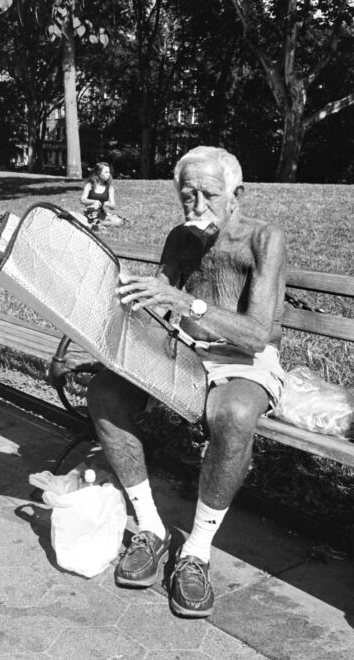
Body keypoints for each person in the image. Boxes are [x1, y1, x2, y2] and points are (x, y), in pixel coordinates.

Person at [86, 146, 287, 618]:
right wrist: (127, 304)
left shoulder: (264, 239)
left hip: (241, 357)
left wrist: (184, 301)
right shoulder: (181, 237)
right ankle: (151, 529)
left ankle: (196, 551)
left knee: (233, 414)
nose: (196, 205)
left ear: (236, 194)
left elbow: (257, 335)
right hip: (181, 346)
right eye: (187, 194)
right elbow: (160, 304)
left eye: (209, 195)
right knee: (105, 392)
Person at [79, 162, 122, 229]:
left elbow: (113, 206)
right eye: (106, 172)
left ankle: (98, 224)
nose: (108, 174)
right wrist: (93, 201)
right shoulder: (90, 185)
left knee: (118, 221)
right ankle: (95, 224)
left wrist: (107, 204)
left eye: (109, 172)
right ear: (98, 173)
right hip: (90, 213)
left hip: (102, 214)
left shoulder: (110, 188)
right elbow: (82, 200)